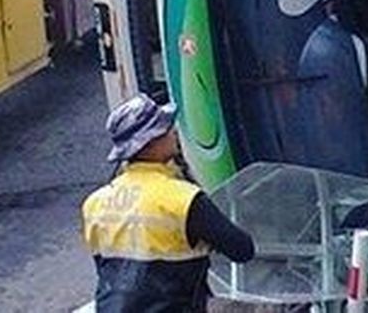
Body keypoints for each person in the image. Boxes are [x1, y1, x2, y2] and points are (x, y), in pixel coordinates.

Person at [82, 95, 254, 313]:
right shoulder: (184, 200)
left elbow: (109, 269)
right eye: (166, 129)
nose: (173, 133)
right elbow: (242, 249)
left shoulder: (93, 204)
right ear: (151, 143)